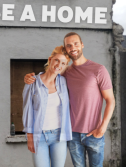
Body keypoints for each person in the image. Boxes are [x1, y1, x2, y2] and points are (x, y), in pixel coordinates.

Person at [24, 32, 115, 167]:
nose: (73, 47)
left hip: (93, 132)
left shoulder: (99, 70)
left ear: (82, 44)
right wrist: (30, 78)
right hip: (72, 135)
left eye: (76, 43)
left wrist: (102, 129)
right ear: (66, 49)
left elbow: (110, 100)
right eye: (69, 45)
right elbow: (49, 75)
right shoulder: (66, 73)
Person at [23, 45, 72, 167]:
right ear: (50, 60)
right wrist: (30, 137)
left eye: (63, 63)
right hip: (39, 137)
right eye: (57, 60)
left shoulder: (64, 82)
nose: (59, 65)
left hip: (59, 136)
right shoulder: (32, 82)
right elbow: (27, 110)